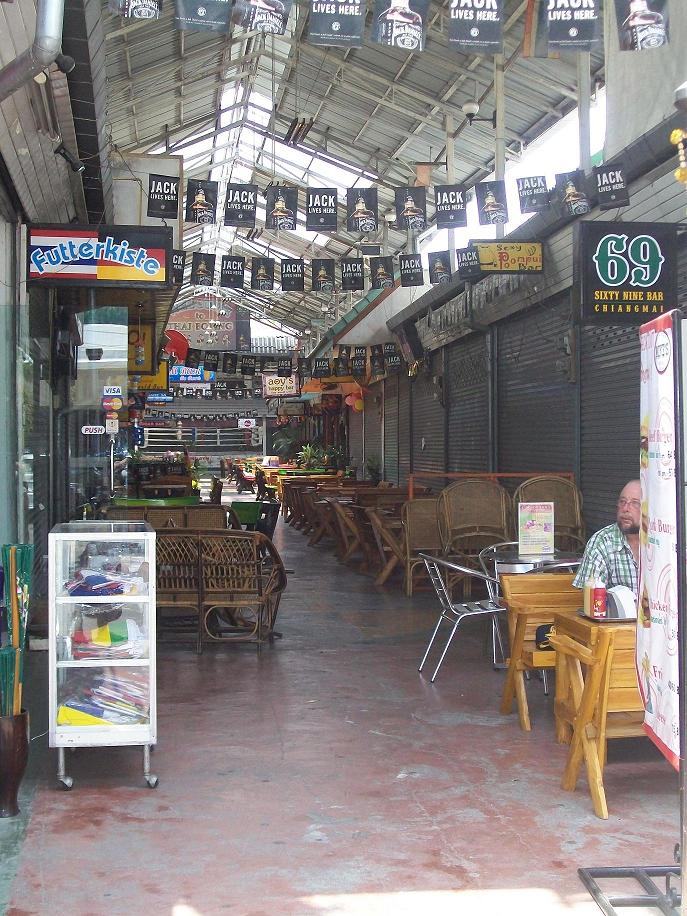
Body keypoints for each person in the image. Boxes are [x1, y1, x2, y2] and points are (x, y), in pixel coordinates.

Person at [573, 479, 640, 596]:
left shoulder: (665, 540)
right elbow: (590, 595)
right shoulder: (602, 541)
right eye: (622, 501)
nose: (625, 508)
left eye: (635, 503)